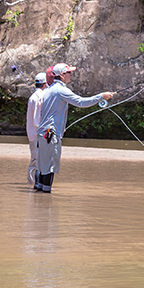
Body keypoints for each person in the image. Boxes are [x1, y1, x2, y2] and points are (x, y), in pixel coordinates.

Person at [34, 63, 115, 192]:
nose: (71, 75)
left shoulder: (48, 89)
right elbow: (81, 102)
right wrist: (101, 96)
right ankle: (46, 197)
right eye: (69, 73)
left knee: (43, 165)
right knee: (50, 166)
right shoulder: (60, 90)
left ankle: (40, 196)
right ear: (62, 75)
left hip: (43, 133)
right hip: (50, 133)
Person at [25, 71, 49, 187]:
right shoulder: (36, 98)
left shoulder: (36, 97)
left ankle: (35, 183)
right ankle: (32, 184)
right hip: (36, 134)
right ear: (45, 84)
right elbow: (36, 121)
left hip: (34, 134)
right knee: (35, 161)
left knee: (37, 160)